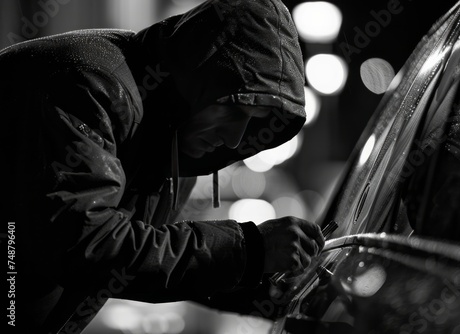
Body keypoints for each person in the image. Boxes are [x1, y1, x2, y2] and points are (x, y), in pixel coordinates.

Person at [1, 0, 325, 333]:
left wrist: (277, 291)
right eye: (233, 110)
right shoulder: (88, 85)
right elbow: (82, 242)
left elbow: (152, 258)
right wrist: (249, 249)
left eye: (252, 123)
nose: (234, 140)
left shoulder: (174, 138)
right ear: (196, 77)